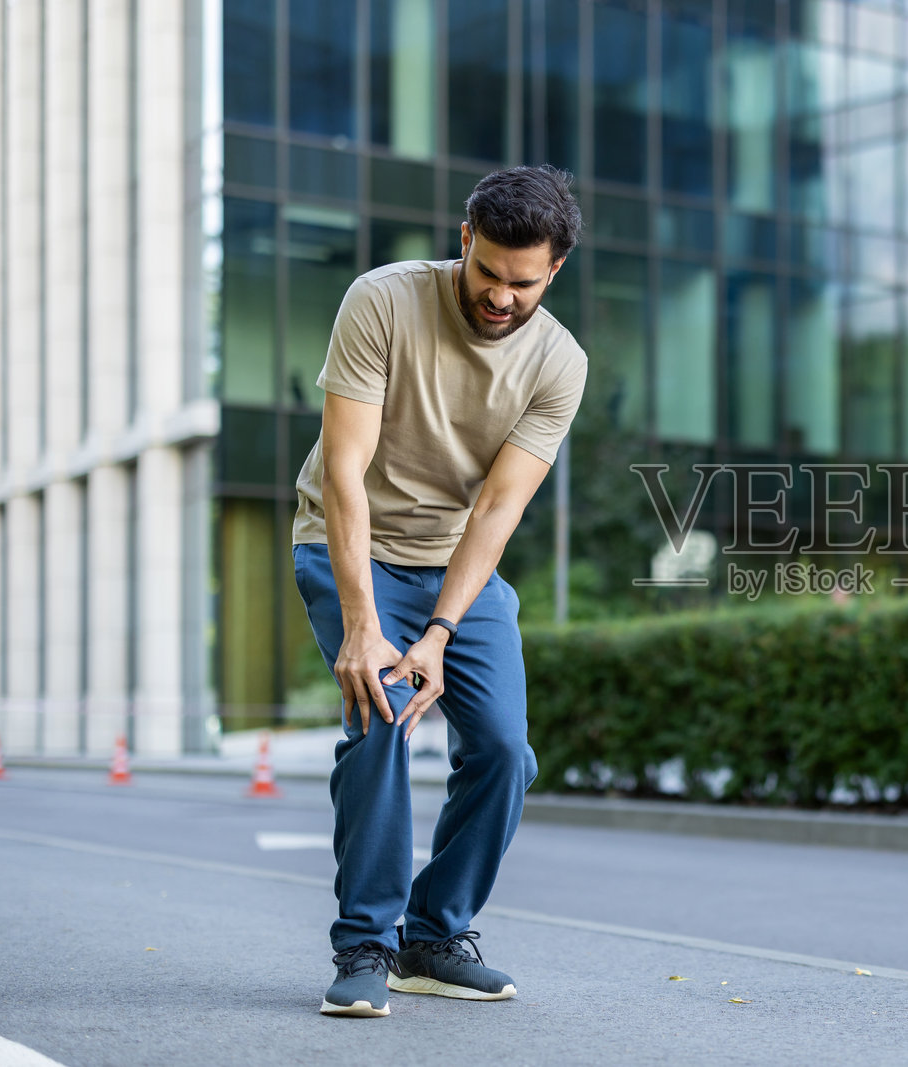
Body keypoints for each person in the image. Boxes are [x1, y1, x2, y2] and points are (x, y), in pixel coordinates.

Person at [291, 165, 587, 1018]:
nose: (500, 294)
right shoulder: (382, 300)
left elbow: (498, 506)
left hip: (458, 561)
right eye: (487, 270)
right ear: (465, 240)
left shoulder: (559, 363)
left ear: (554, 270)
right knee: (382, 712)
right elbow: (344, 468)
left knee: (503, 750)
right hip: (353, 545)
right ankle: (365, 945)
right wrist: (364, 624)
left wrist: (441, 632)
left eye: (521, 282)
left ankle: (433, 935)